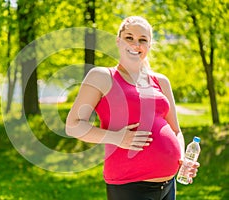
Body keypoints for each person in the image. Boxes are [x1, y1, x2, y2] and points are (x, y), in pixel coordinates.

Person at [65, 16, 200, 200]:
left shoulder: (161, 81)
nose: (136, 44)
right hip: (129, 185)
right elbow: (73, 125)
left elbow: (176, 130)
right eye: (129, 37)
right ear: (118, 41)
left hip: (169, 184)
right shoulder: (102, 77)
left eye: (142, 40)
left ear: (150, 45)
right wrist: (116, 137)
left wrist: (182, 160)